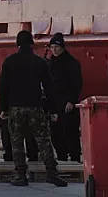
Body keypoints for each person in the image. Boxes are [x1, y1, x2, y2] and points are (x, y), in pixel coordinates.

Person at [0, 30, 67, 188]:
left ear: (17, 44)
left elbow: (3, 87)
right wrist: (53, 109)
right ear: (32, 44)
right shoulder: (40, 63)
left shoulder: (9, 61)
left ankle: (20, 175)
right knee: (44, 141)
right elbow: (49, 88)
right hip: (35, 107)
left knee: (17, 142)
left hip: (16, 107)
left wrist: (3, 108)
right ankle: (52, 173)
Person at [47, 33, 82, 163]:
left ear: (62, 47)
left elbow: (76, 83)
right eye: (52, 47)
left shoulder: (72, 63)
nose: (54, 50)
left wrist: (72, 100)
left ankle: (74, 157)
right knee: (56, 133)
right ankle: (61, 155)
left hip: (67, 102)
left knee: (70, 132)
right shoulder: (50, 64)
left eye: (56, 47)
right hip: (54, 103)